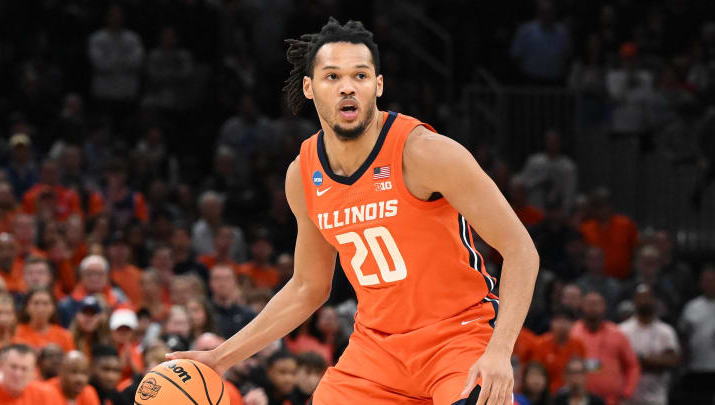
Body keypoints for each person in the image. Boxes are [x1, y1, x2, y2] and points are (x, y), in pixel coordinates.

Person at [168, 18, 539, 405]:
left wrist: (499, 351)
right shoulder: (303, 173)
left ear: (377, 85)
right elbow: (308, 287)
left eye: (360, 75)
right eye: (332, 76)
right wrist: (219, 357)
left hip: (457, 337)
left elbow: (520, 250)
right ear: (309, 88)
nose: (347, 86)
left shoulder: (427, 152)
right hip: (375, 351)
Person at [570, 292, 640, 405]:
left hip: (613, 401)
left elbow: (632, 365)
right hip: (579, 400)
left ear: (604, 307)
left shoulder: (617, 334)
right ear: (581, 306)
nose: (593, 307)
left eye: (596, 304)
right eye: (589, 304)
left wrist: (627, 392)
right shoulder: (573, 333)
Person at [619, 285, 679, 405]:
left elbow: (673, 360)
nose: (644, 301)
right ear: (634, 301)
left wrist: (642, 360)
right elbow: (618, 361)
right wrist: (654, 362)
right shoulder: (622, 330)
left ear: (654, 301)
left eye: (647, 297)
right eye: (640, 298)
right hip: (628, 397)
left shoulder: (666, 331)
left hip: (657, 396)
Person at [677, 266, 715, 404]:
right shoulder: (692, 307)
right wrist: (684, 361)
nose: (709, 283)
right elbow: (683, 336)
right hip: (696, 367)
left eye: (712, 280)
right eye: (706, 280)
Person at [529, 306, 585, 393]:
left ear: (573, 324)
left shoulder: (578, 345)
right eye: (559, 320)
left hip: (570, 394)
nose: (562, 324)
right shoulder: (540, 345)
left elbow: (582, 374)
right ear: (552, 322)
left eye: (566, 320)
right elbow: (536, 372)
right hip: (546, 395)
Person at [13, 288, 76, 352]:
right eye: (36, 303)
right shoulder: (15, 332)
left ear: (53, 308)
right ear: (26, 307)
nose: (40, 309)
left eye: (45, 304)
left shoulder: (65, 336)